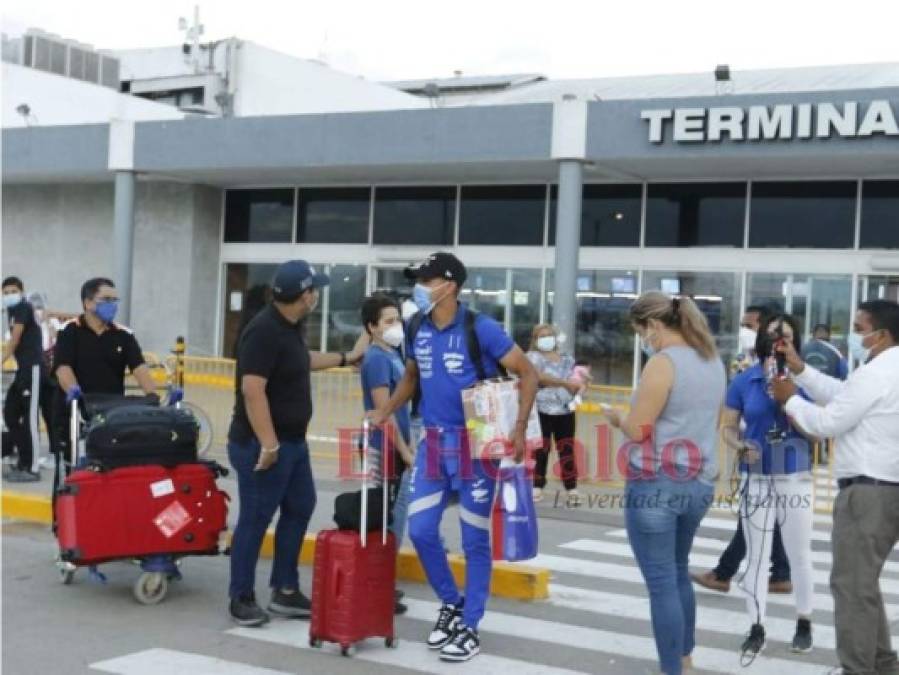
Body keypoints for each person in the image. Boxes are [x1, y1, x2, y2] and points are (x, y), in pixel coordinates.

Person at [369, 251, 538, 663]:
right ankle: (451, 603)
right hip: (433, 444)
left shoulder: (480, 327)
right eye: (419, 279)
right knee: (422, 529)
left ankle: (471, 625)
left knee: (473, 538)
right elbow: (411, 377)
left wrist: (518, 431)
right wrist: (386, 411)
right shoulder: (415, 325)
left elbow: (527, 372)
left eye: (426, 280)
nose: (420, 287)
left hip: (476, 448)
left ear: (449, 284)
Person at [227, 259, 368, 627]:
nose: (316, 296)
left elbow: (301, 360)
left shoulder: (289, 327)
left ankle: (285, 590)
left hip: (293, 443)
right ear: (305, 296)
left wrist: (345, 357)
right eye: (314, 291)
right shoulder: (263, 331)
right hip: (262, 445)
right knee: (256, 520)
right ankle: (240, 596)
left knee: (300, 505)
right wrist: (269, 445)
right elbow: (252, 389)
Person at [772, 299, 899, 675]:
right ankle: (882, 662)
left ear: (883, 334)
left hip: (868, 490)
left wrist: (790, 399)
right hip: (884, 486)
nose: (856, 336)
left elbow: (827, 422)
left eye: (860, 329)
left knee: (851, 587)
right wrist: (801, 370)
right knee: (863, 584)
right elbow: (845, 395)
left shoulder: (878, 373)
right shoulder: (883, 369)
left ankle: (858, 668)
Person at [603, 292, 724, 675]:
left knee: (661, 583)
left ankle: (672, 668)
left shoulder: (662, 363)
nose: (643, 338)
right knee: (677, 569)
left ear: (652, 326)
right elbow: (712, 422)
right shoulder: (712, 360)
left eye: (641, 330)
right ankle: (684, 658)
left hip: (656, 483)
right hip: (698, 483)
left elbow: (639, 430)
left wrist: (617, 417)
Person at [725, 314, 815, 660]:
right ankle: (757, 627)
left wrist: (790, 403)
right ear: (763, 339)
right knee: (757, 557)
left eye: (787, 336)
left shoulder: (805, 380)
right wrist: (740, 447)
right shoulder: (744, 380)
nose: (779, 341)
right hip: (756, 477)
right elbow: (728, 427)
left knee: (798, 555)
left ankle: (804, 621)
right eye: (774, 335)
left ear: (795, 341)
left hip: (795, 476)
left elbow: (819, 432)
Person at [692, 304, 793, 596]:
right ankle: (780, 573)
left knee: (755, 518)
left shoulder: (791, 372)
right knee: (762, 516)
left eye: (750, 326)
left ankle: (726, 573)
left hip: (784, 460)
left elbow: (804, 419)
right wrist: (740, 444)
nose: (745, 331)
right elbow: (732, 419)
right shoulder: (747, 370)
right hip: (756, 453)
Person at [51, 278, 159, 493]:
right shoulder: (69, 331)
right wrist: (77, 396)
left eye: (114, 299)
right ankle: (63, 522)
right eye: (106, 299)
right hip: (74, 414)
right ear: (88, 303)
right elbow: (63, 368)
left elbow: (140, 369)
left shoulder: (124, 335)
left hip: (110, 416)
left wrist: (153, 397)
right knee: (70, 475)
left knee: (109, 476)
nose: (112, 304)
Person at [359, 293, 416, 615]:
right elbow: (384, 411)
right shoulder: (377, 359)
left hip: (397, 447)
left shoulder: (391, 353)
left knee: (395, 516)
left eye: (398, 319)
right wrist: (406, 452)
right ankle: (377, 585)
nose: (396, 326)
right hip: (386, 449)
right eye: (388, 321)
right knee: (387, 519)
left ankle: (382, 582)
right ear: (372, 327)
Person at [526, 323, 585, 506]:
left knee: (566, 448)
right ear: (535, 340)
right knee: (541, 449)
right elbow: (538, 377)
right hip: (541, 409)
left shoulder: (567, 358)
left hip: (565, 410)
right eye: (542, 336)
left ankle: (571, 487)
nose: (546, 339)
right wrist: (565, 383)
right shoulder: (532, 357)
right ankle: (537, 485)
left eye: (549, 335)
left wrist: (576, 386)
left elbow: (577, 378)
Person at [2, 276, 44, 482]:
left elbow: (15, 339)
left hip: (33, 368)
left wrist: (1, 360)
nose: (9, 295)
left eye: (13, 291)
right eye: (6, 292)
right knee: (10, 413)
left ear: (20, 291)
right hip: (22, 370)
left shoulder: (24, 308)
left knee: (29, 419)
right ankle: (23, 461)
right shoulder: (11, 311)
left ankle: (33, 467)